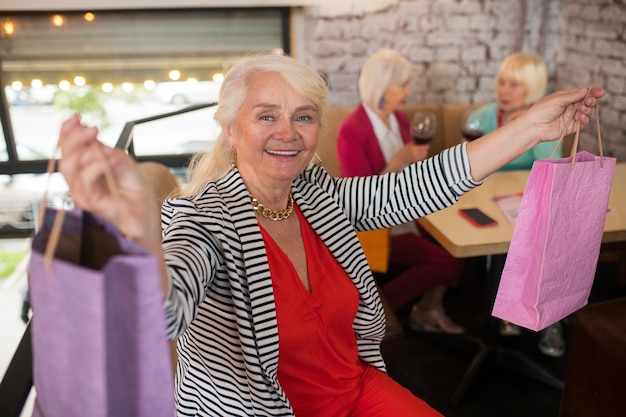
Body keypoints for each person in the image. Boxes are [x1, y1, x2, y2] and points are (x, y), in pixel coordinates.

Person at [57, 53, 603, 417]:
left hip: (354, 389)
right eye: (266, 115)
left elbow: (413, 188)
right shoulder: (204, 218)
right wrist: (134, 234)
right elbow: (163, 311)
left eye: (304, 116)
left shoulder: (314, 193)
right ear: (231, 129)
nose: (288, 133)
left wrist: (532, 125)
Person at [336, 49, 465, 334]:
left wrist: (419, 165)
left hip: (411, 213)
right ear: (383, 85)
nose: (408, 92)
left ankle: (428, 309)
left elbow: (413, 177)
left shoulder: (401, 120)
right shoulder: (351, 131)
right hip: (378, 227)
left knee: (463, 243)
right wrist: (397, 162)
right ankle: (372, 312)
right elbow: (359, 201)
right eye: (403, 85)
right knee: (445, 261)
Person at [465, 53, 566, 357]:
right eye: (502, 82)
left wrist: (529, 130)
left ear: (532, 90)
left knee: (548, 240)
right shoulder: (480, 117)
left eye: (515, 85)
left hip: (527, 206)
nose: (504, 90)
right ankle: (508, 309)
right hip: (484, 204)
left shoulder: (543, 124)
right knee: (505, 242)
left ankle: (549, 318)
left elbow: (552, 171)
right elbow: (461, 166)